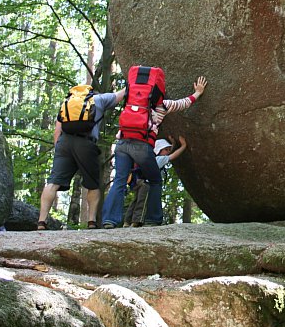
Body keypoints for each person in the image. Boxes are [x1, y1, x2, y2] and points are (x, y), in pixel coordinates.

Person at [118, 75, 206, 227]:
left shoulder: (133, 104)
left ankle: (126, 221)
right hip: (144, 178)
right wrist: (183, 146)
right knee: (145, 196)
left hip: (132, 168)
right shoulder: (156, 159)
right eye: (164, 149)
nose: (166, 151)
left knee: (136, 199)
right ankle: (138, 221)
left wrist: (171, 144)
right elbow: (170, 156)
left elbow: (165, 153)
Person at [37, 85, 126, 230]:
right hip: (86, 143)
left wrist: (59, 149)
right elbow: (120, 94)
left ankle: (41, 221)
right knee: (93, 184)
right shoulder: (99, 99)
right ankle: (91, 221)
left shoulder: (67, 103)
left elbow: (57, 130)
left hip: (64, 142)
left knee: (53, 182)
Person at [123, 136, 187, 227]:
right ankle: (136, 221)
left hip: (138, 181)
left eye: (169, 149)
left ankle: (127, 221)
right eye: (166, 149)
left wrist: (173, 144)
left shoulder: (152, 159)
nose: (168, 151)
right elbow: (173, 155)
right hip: (146, 184)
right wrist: (183, 146)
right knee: (143, 202)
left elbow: (167, 153)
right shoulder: (160, 159)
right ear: (159, 150)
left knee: (135, 201)